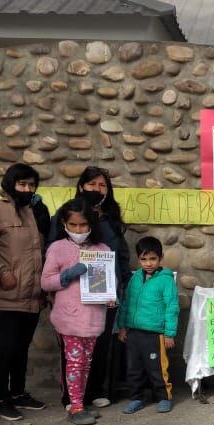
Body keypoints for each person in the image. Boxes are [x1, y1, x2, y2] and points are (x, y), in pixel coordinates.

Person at [49, 166, 130, 409]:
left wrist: (120, 286)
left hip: (105, 294)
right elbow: (53, 256)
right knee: (72, 350)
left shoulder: (111, 219)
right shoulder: (64, 216)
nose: (96, 189)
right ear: (81, 186)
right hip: (72, 296)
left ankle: (96, 390)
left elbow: (121, 256)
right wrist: (55, 288)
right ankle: (72, 397)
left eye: (102, 185)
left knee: (101, 345)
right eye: (92, 185)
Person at [0, 163, 51, 422]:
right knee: (6, 347)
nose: (27, 189)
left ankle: (18, 393)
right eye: (22, 184)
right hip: (5, 295)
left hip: (32, 296)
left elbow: (40, 253)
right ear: (11, 185)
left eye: (31, 185)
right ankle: (1, 398)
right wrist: (1, 273)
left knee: (21, 347)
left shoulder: (36, 213)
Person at [41, 198, 116, 425]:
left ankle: (80, 403)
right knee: (74, 362)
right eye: (73, 225)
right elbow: (46, 282)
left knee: (86, 362)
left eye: (83, 225)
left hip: (93, 318)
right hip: (69, 317)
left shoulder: (102, 250)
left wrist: (111, 296)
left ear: (92, 225)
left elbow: (109, 280)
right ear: (64, 224)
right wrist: (68, 275)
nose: (78, 230)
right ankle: (75, 407)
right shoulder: (58, 248)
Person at [116, 236, 180, 414]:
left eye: (152, 258)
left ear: (161, 258)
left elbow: (172, 307)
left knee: (157, 368)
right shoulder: (135, 278)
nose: (148, 263)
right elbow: (126, 303)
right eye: (143, 259)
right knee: (134, 369)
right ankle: (136, 398)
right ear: (138, 259)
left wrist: (169, 333)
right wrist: (122, 326)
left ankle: (164, 397)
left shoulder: (166, 280)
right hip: (134, 333)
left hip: (155, 334)